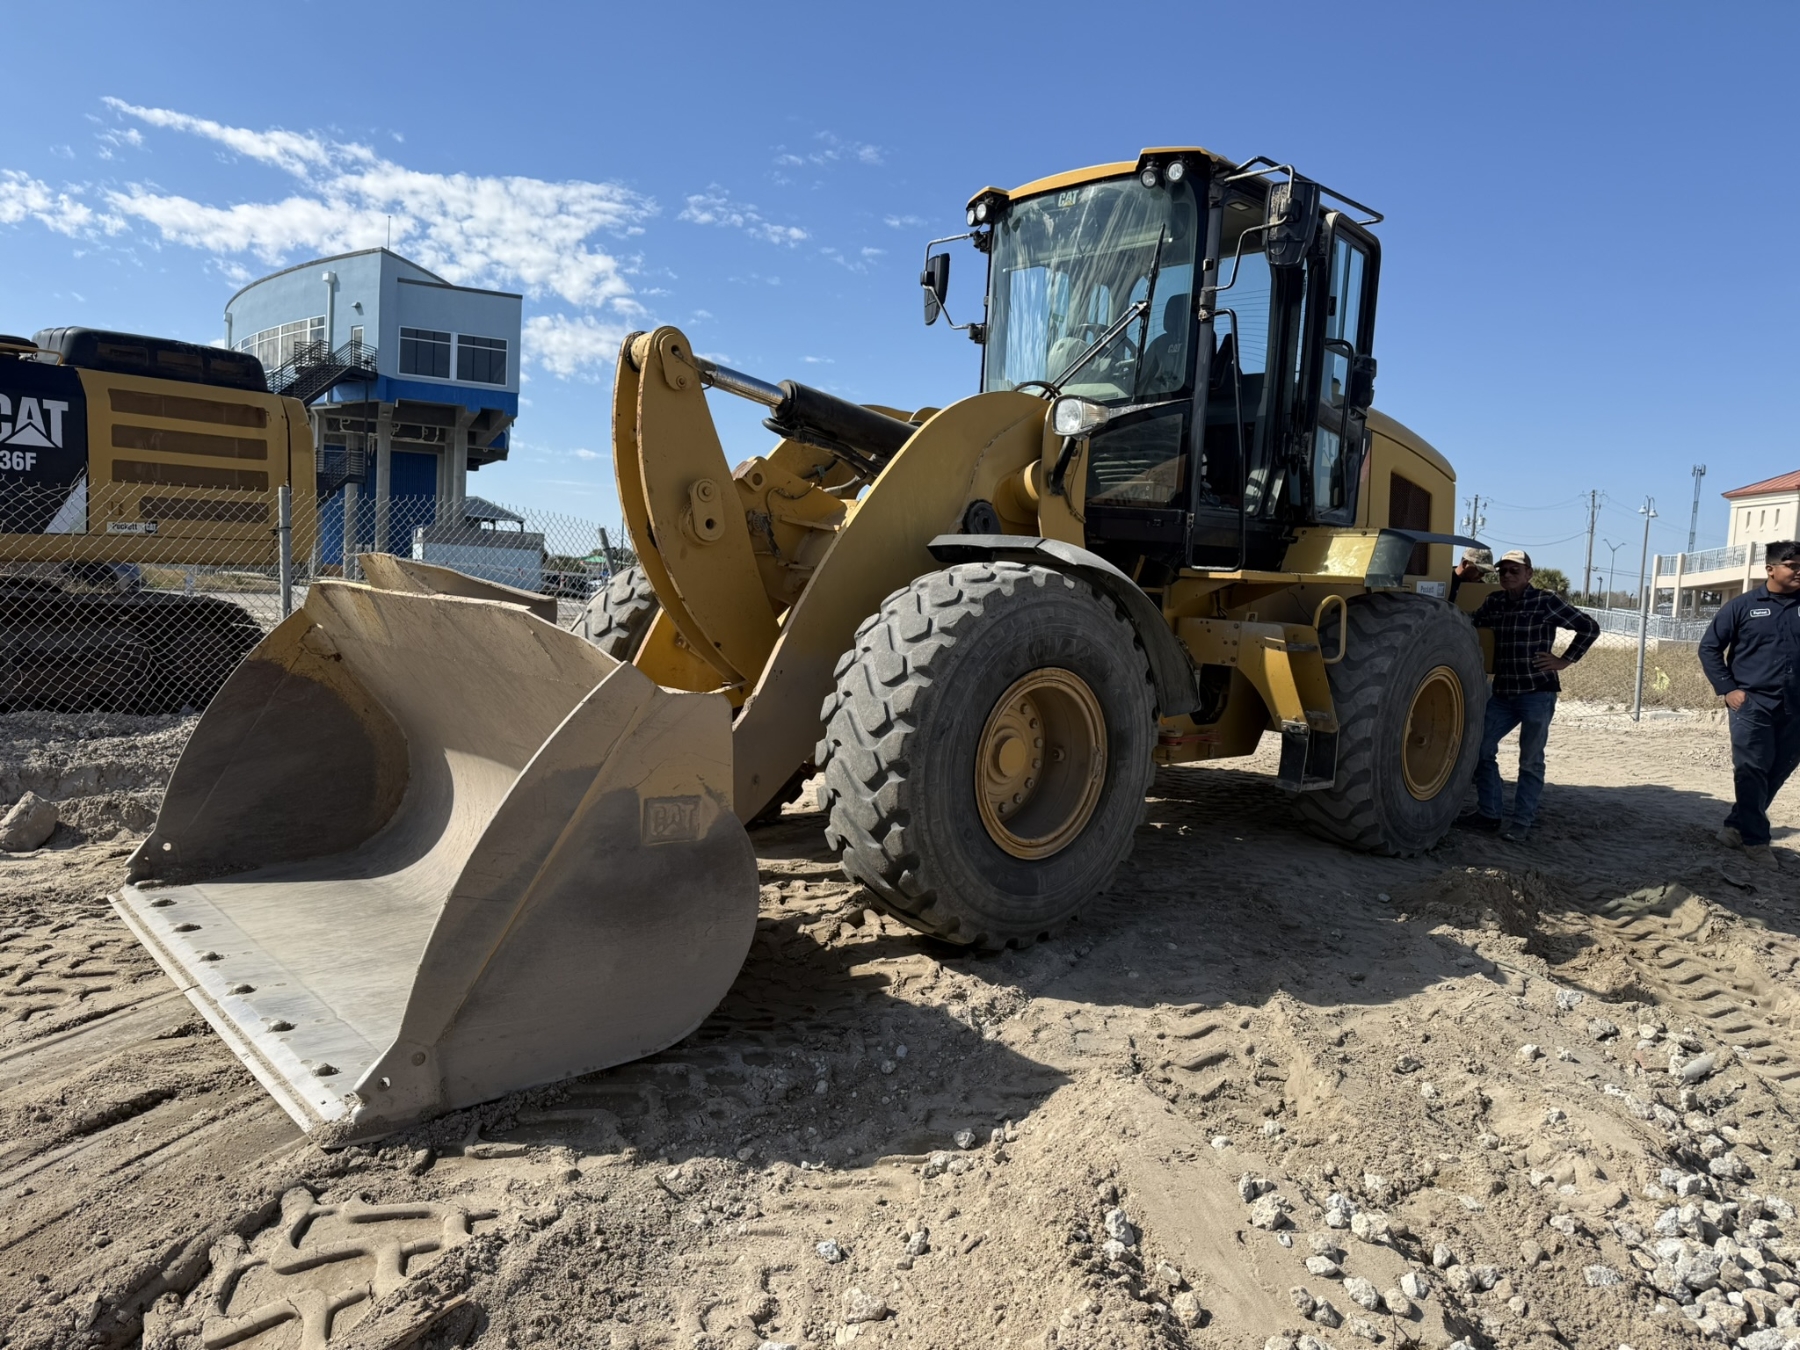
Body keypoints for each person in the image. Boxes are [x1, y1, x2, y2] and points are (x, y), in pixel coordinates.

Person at [1461, 549, 1600, 842]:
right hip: (1503, 694)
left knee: (1530, 761)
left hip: (1537, 693)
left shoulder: (1545, 601)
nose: (1507, 575)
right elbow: (1470, 622)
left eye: (1515, 570)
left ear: (1529, 574)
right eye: (1503, 571)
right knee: (1480, 749)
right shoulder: (1494, 601)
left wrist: (1565, 660)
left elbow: (1589, 627)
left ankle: (1521, 822)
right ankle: (1489, 814)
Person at [1697, 539, 1800, 869]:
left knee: (1778, 769)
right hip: (1752, 703)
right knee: (1752, 769)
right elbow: (1709, 648)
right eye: (1792, 566)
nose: (1799, 572)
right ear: (1770, 569)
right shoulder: (1742, 606)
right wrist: (1728, 689)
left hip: (1795, 705)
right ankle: (1756, 842)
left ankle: (1734, 827)